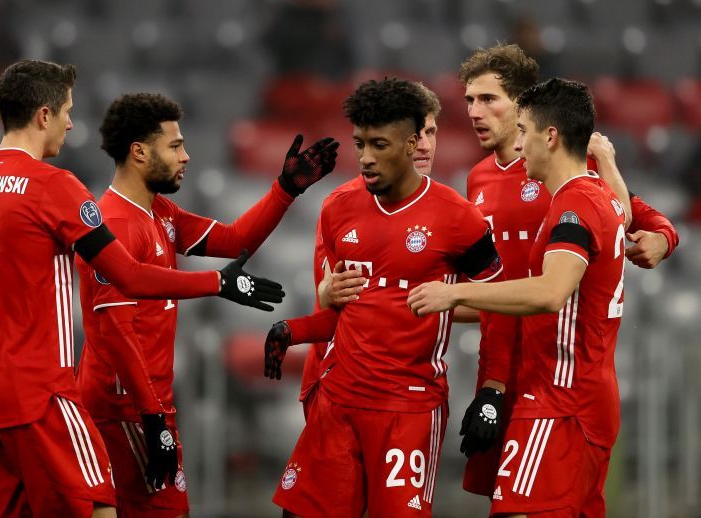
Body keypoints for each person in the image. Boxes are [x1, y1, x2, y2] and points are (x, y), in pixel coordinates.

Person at [0, 59, 286, 517]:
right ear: (43, 116)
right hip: (42, 397)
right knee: (99, 509)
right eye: (67, 111)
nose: (72, 124)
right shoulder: (55, 187)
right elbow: (128, 276)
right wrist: (217, 282)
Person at [74, 92, 338, 517]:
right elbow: (117, 332)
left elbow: (234, 240)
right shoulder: (117, 224)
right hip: (124, 409)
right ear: (139, 152)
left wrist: (285, 191)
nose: (186, 156)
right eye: (175, 146)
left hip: (147, 406)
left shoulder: (158, 212)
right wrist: (153, 418)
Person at [265, 77, 512, 517]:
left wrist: (492, 388)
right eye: (360, 143)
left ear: (412, 141)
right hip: (338, 400)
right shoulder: (338, 208)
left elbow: (504, 302)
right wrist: (295, 326)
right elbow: (341, 309)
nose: (365, 158)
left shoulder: (460, 218)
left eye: (378, 144)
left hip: (407, 407)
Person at [456, 44, 680, 501]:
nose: (475, 112)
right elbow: (489, 283)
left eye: (488, 99)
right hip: (502, 365)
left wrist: (663, 237)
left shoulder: (569, 169)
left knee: (529, 503)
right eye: (469, 101)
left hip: (558, 370)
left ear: (523, 107)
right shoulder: (476, 178)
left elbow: (635, 215)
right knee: (510, 500)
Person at [407, 77, 629, 516]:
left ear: (550, 136)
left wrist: (456, 295)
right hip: (587, 397)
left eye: (525, 131)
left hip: (558, 402)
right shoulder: (601, 196)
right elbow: (622, 213)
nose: (519, 145)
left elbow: (550, 292)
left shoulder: (573, 207)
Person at [297, 81, 441, 419]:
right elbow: (333, 298)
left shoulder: (452, 214)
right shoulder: (342, 205)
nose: (423, 146)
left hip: (410, 395)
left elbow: (475, 299)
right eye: (414, 135)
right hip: (339, 386)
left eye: (430, 132)